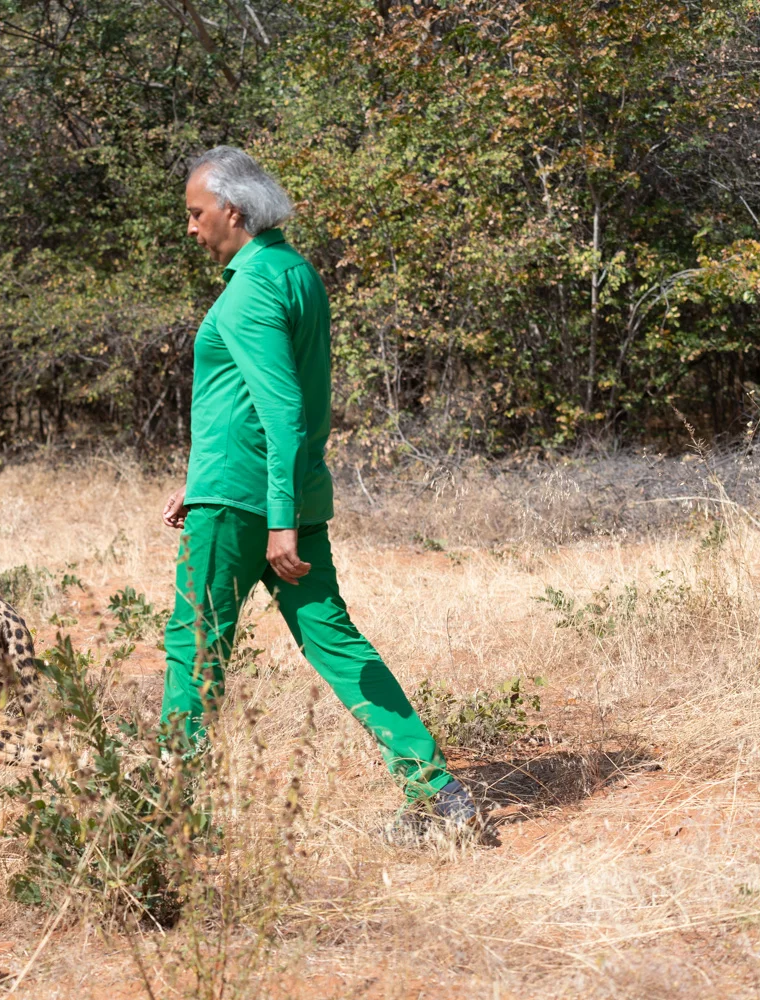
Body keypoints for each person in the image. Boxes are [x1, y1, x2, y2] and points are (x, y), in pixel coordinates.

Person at [160, 145, 483, 837]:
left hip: (250, 509)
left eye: (196, 214)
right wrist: (201, 484)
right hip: (272, 493)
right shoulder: (294, 272)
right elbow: (263, 406)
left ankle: (171, 822)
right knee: (334, 642)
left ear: (233, 212)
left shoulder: (247, 291)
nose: (191, 228)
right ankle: (438, 793)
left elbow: (283, 413)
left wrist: (275, 521)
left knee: (194, 647)